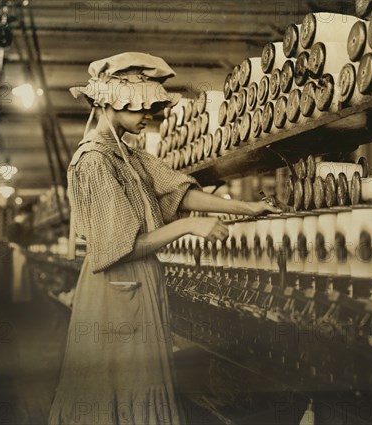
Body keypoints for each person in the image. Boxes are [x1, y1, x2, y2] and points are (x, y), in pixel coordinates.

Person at [48, 52, 278, 425]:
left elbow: (179, 193)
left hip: (139, 286)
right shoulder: (94, 161)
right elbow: (118, 249)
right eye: (140, 106)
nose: (149, 115)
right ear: (111, 102)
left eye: (151, 106)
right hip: (114, 295)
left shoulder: (129, 156)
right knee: (121, 387)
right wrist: (188, 226)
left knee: (143, 382)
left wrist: (248, 209)